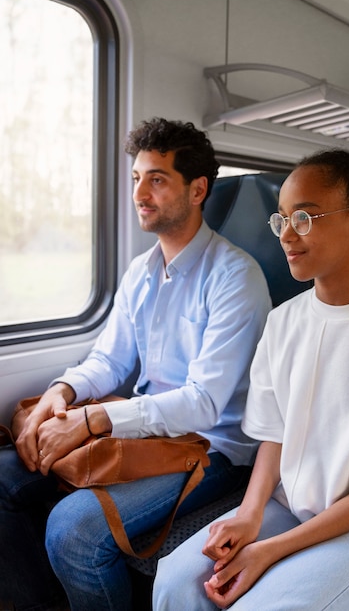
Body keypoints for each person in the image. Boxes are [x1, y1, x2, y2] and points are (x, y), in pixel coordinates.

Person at [0, 118, 271, 611]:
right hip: (150, 431)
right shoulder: (140, 272)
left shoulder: (235, 277)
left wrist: (93, 419)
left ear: (198, 190)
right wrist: (61, 394)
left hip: (215, 450)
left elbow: (204, 403)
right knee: (3, 473)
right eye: (136, 178)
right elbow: (108, 359)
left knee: (73, 530)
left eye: (157, 179)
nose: (140, 193)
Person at [153, 149, 349, 611]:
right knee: (177, 580)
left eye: (305, 218)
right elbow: (274, 434)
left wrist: (270, 550)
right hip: (289, 503)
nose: (287, 235)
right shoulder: (282, 322)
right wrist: (250, 517)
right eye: (281, 220)